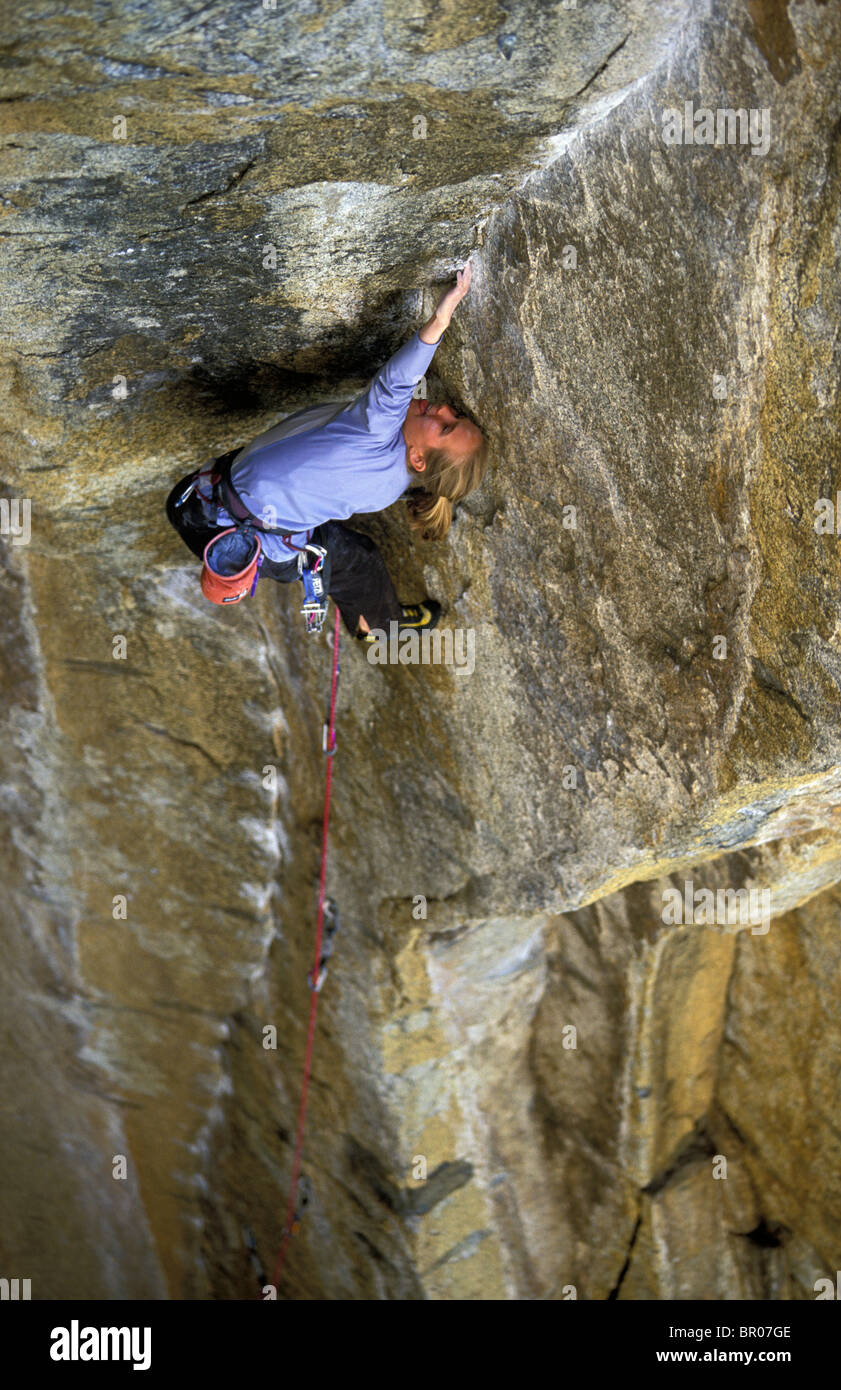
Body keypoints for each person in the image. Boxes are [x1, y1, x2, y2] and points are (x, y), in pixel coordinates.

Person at [165, 259, 488, 641]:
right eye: (457, 414)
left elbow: (397, 383)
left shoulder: (376, 430)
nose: (444, 407)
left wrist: (442, 317)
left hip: (200, 508)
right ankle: (372, 621)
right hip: (222, 518)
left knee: (357, 559)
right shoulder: (392, 485)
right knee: (343, 549)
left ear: (419, 458)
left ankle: (380, 630)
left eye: (446, 426)